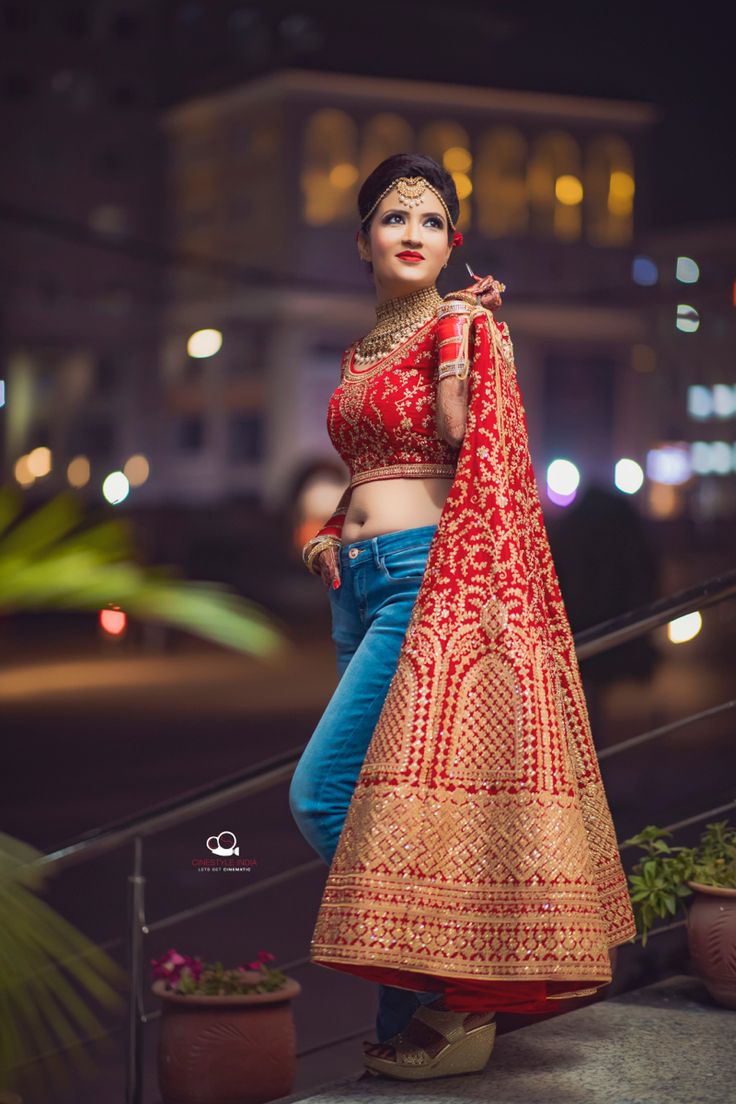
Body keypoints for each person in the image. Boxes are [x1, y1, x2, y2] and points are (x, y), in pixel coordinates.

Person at [289, 154, 636, 1082]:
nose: (413, 232)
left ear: (452, 243)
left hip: (424, 582)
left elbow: (459, 439)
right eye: (394, 217)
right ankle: (425, 1025)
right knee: (392, 802)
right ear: (362, 239)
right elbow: (373, 461)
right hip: (356, 587)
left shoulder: (463, 325)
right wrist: (331, 531)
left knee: (321, 797)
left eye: (433, 220)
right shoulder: (361, 349)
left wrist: (467, 336)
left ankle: (467, 967)